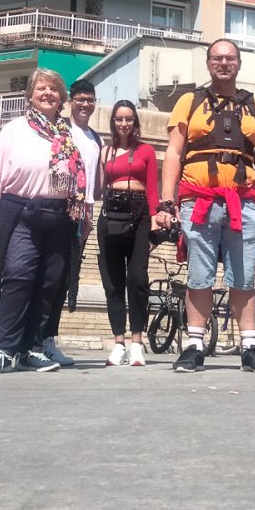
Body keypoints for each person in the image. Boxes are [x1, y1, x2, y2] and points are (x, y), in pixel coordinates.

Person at [154, 39, 255, 374]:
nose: (223, 63)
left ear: (238, 64)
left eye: (230, 59)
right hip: (200, 201)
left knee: (243, 277)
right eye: (217, 58)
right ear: (209, 64)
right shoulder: (189, 101)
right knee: (199, 275)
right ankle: (194, 345)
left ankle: (250, 347)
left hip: (245, 204)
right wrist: (166, 202)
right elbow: (173, 153)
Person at [0, 68, 87, 374]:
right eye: (42, 88)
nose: (48, 93)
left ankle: (33, 348)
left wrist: (83, 211)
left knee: (50, 283)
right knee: (18, 276)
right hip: (22, 211)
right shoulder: (14, 129)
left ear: (62, 98)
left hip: (60, 215)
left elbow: (82, 177)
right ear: (30, 95)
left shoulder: (69, 135)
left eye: (54, 89)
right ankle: (5, 350)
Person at [40, 78, 101, 367]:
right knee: (47, 275)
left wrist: (89, 214)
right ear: (70, 102)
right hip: (58, 208)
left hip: (83, 214)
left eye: (90, 100)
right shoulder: (60, 130)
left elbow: (93, 183)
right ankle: (34, 338)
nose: (85, 104)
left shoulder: (95, 138)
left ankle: (48, 339)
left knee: (65, 277)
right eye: (80, 99)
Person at [98, 99, 158, 367]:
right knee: (113, 282)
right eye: (119, 119)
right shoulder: (105, 151)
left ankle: (137, 342)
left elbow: (153, 189)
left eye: (129, 119)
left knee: (137, 278)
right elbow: (99, 188)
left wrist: (156, 221)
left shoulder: (146, 151)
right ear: (113, 122)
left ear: (135, 122)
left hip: (140, 213)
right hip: (111, 214)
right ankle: (118, 343)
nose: (124, 123)